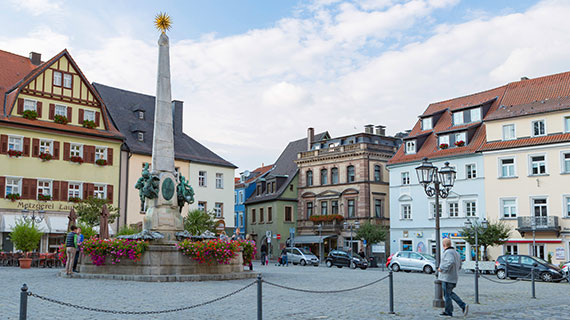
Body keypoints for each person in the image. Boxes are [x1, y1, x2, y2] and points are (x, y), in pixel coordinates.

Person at [438, 238, 469, 317]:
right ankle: (449, 310)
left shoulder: (448, 252)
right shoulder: (456, 253)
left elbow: (450, 262)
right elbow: (460, 265)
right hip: (453, 277)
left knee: (447, 295)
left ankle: (460, 306)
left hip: (447, 277)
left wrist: (442, 269)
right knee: (449, 294)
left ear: (444, 245)